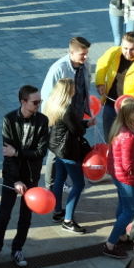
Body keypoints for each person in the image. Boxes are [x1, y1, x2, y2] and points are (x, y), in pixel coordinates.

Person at [0, 85, 49, 268]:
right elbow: (8, 153)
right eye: (35, 102)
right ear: (23, 102)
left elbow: (40, 152)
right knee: (4, 214)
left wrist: (18, 153)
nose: (38, 105)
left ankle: (17, 248)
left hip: (31, 176)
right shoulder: (9, 120)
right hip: (12, 176)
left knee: (25, 216)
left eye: (40, 101)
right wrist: (15, 180)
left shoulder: (42, 121)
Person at [102, 98, 134, 259]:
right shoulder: (128, 136)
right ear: (128, 114)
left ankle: (121, 235)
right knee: (130, 211)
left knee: (123, 207)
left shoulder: (125, 128)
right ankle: (110, 244)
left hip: (119, 176)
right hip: (127, 178)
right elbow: (128, 166)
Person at [45, 78, 89, 234]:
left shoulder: (53, 105)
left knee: (59, 179)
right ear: (68, 91)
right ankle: (68, 221)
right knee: (79, 184)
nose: (75, 89)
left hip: (57, 149)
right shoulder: (66, 110)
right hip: (68, 150)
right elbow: (77, 131)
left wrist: (82, 124)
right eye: (73, 88)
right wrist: (85, 125)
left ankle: (57, 211)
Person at [94, 32, 134, 139]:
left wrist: (126, 97)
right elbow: (101, 65)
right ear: (121, 45)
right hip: (110, 103)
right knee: (109, 138)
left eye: (132, 49)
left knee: (128, 140)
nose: (128, 52)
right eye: (125, 48)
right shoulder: (114, 52)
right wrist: (100, 82)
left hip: (130, 110)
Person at [40, 36, 93, 121]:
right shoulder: (58, 69)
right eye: (82, 54)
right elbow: (46, 95)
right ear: (71, 53)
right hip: (62, 116)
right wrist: (46, 120)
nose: (86, 57)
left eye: (87, 53)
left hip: (78, 112)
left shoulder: (86, 65)